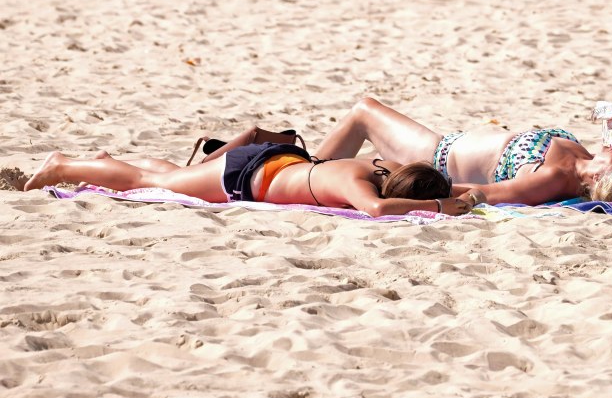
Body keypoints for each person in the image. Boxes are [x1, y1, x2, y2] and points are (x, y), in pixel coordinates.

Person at [314, 98, 612, 208]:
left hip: (434, 157)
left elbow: (483, 194)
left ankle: (306, 171)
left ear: (601, 175)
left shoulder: (553, 179)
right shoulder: (579, 158)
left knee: (363, 111)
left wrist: (417, 192)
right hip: (443, 143)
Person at [23, 145, 481, 217]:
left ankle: (104, 161)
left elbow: (402, 193)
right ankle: (65, 165)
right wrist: (441, 207)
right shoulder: (356, 189)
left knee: (171, 176)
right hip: (244, 176)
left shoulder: (373, 168)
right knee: (146, 181)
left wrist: (468, 195)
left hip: (273, 162)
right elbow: (379, 211)